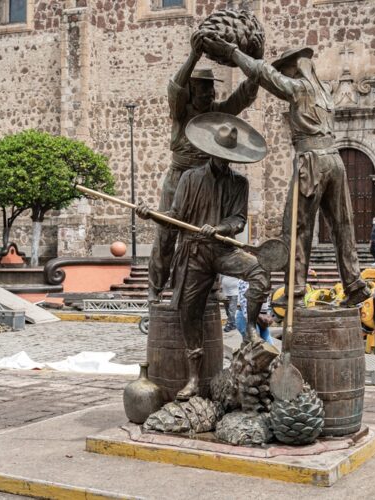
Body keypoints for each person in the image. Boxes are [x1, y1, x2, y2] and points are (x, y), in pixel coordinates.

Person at [205, 38, 371, 307]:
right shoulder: (324, 94)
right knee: (343, 225)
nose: (282, 73)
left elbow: (264, 74)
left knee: (295, 226)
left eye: (285, 69)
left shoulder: (301, 89)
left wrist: (234, 54)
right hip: (334, 160)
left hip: (311, 161)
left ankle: (294, 290)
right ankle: (355, 283)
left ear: (295, 69)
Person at [136, 113, 270, 400]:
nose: (224, 159)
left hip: (222, 250)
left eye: (228, 156)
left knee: (259, 272)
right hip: (193, 253)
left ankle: (250, 334)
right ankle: (194, 378)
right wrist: (152, 216)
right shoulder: (190, 178)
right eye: (219, 154)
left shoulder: (239, 184)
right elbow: (175, 218)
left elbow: (239, 220)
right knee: (189, 313)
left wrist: (220, 228)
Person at [147, 34, 259, 303]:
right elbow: (174, 87)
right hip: (178, 178)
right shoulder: (181, 112)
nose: (210, 94)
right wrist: (194, 55)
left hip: (208, 180)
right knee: (166, 234)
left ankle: (210, 288)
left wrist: (255, 65)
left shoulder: (218, 114)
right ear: (192, 91)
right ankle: (156, 289)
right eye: (204, 89)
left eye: (212, 89)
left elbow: (244, 95)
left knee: (211, 236)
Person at [235, 279, 273, 344]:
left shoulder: (263, 278)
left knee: (269, 346)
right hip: (247, 318)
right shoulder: (246, 279)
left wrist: (267, 315)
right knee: (255, 346)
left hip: (260, 317)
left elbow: (266, 300)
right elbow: (245, 303)